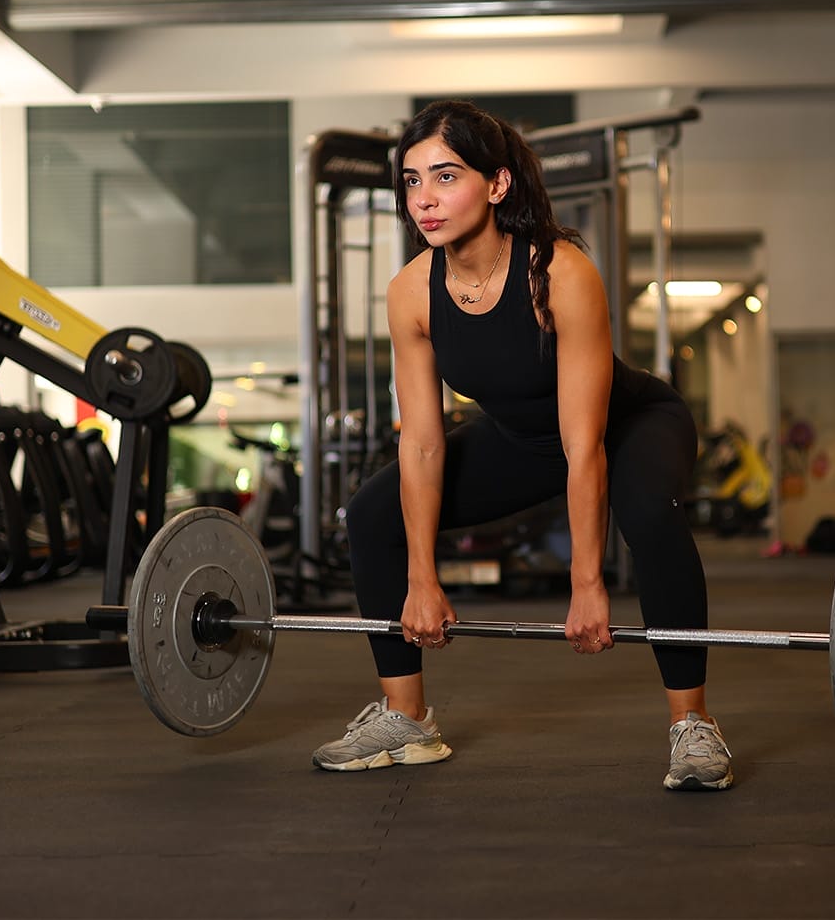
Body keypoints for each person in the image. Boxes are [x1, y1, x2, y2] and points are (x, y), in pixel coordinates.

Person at [311, 100, 733, 791]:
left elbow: (584, 440)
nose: (425, 199)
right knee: (371, 515)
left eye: (445, 176)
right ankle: (407, 716)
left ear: (498, 184)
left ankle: (693, 725)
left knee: (649, 513)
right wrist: (421, 577)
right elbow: (421, 443)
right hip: (521, 437)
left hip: (627, 425)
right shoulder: (412, 292)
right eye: (412, 181)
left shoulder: (559, 272)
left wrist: (587, 582)